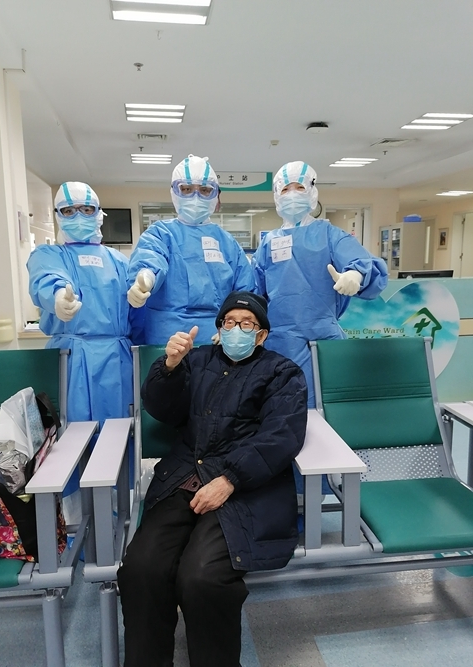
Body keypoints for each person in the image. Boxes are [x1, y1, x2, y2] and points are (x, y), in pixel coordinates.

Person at [117, 291, 307, 667]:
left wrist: (230, 478)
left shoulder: (282, 373)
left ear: (262, 335)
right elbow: (165, 410)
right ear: (219, 328)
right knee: (141, 569)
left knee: (202, 577)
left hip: (245, 487)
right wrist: (169, 367)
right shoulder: (196, 360)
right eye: (229, 322)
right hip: (183, 477)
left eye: (247, 324)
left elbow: (282, 434)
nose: (237, 329)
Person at [253, 161, 388, 408]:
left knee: (329, 408)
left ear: (312, 192)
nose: (292, 195)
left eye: (299, 188)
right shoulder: (269, 243)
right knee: (282, 407)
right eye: (285, 189)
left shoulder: (330, 235)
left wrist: (356, 275)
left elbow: (366, 264)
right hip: (280, 342)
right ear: (276, 196)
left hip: (322, 340)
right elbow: (254, 293)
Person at [27, 181, 133, 426]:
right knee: (74, 430)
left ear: (99, 213)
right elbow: (46, 276)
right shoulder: (48, 255)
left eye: (86, 210)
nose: (78, 216)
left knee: (119, 428)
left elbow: (137, 316)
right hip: (71, 358)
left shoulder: (119, 261)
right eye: (68, 211)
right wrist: (57, 297)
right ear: (58, 216)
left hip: (117, 359)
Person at [127, 154, 255, 345]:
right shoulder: (161, 233)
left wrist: (236, 325)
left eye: (205, 190)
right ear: (174, 192)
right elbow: (151, 258)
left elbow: (245, 291)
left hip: (219, 338)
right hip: (168, 339)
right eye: (186, 189)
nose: (196, 197)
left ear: (216, 195)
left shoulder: (227, 243)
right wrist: (145, 279)